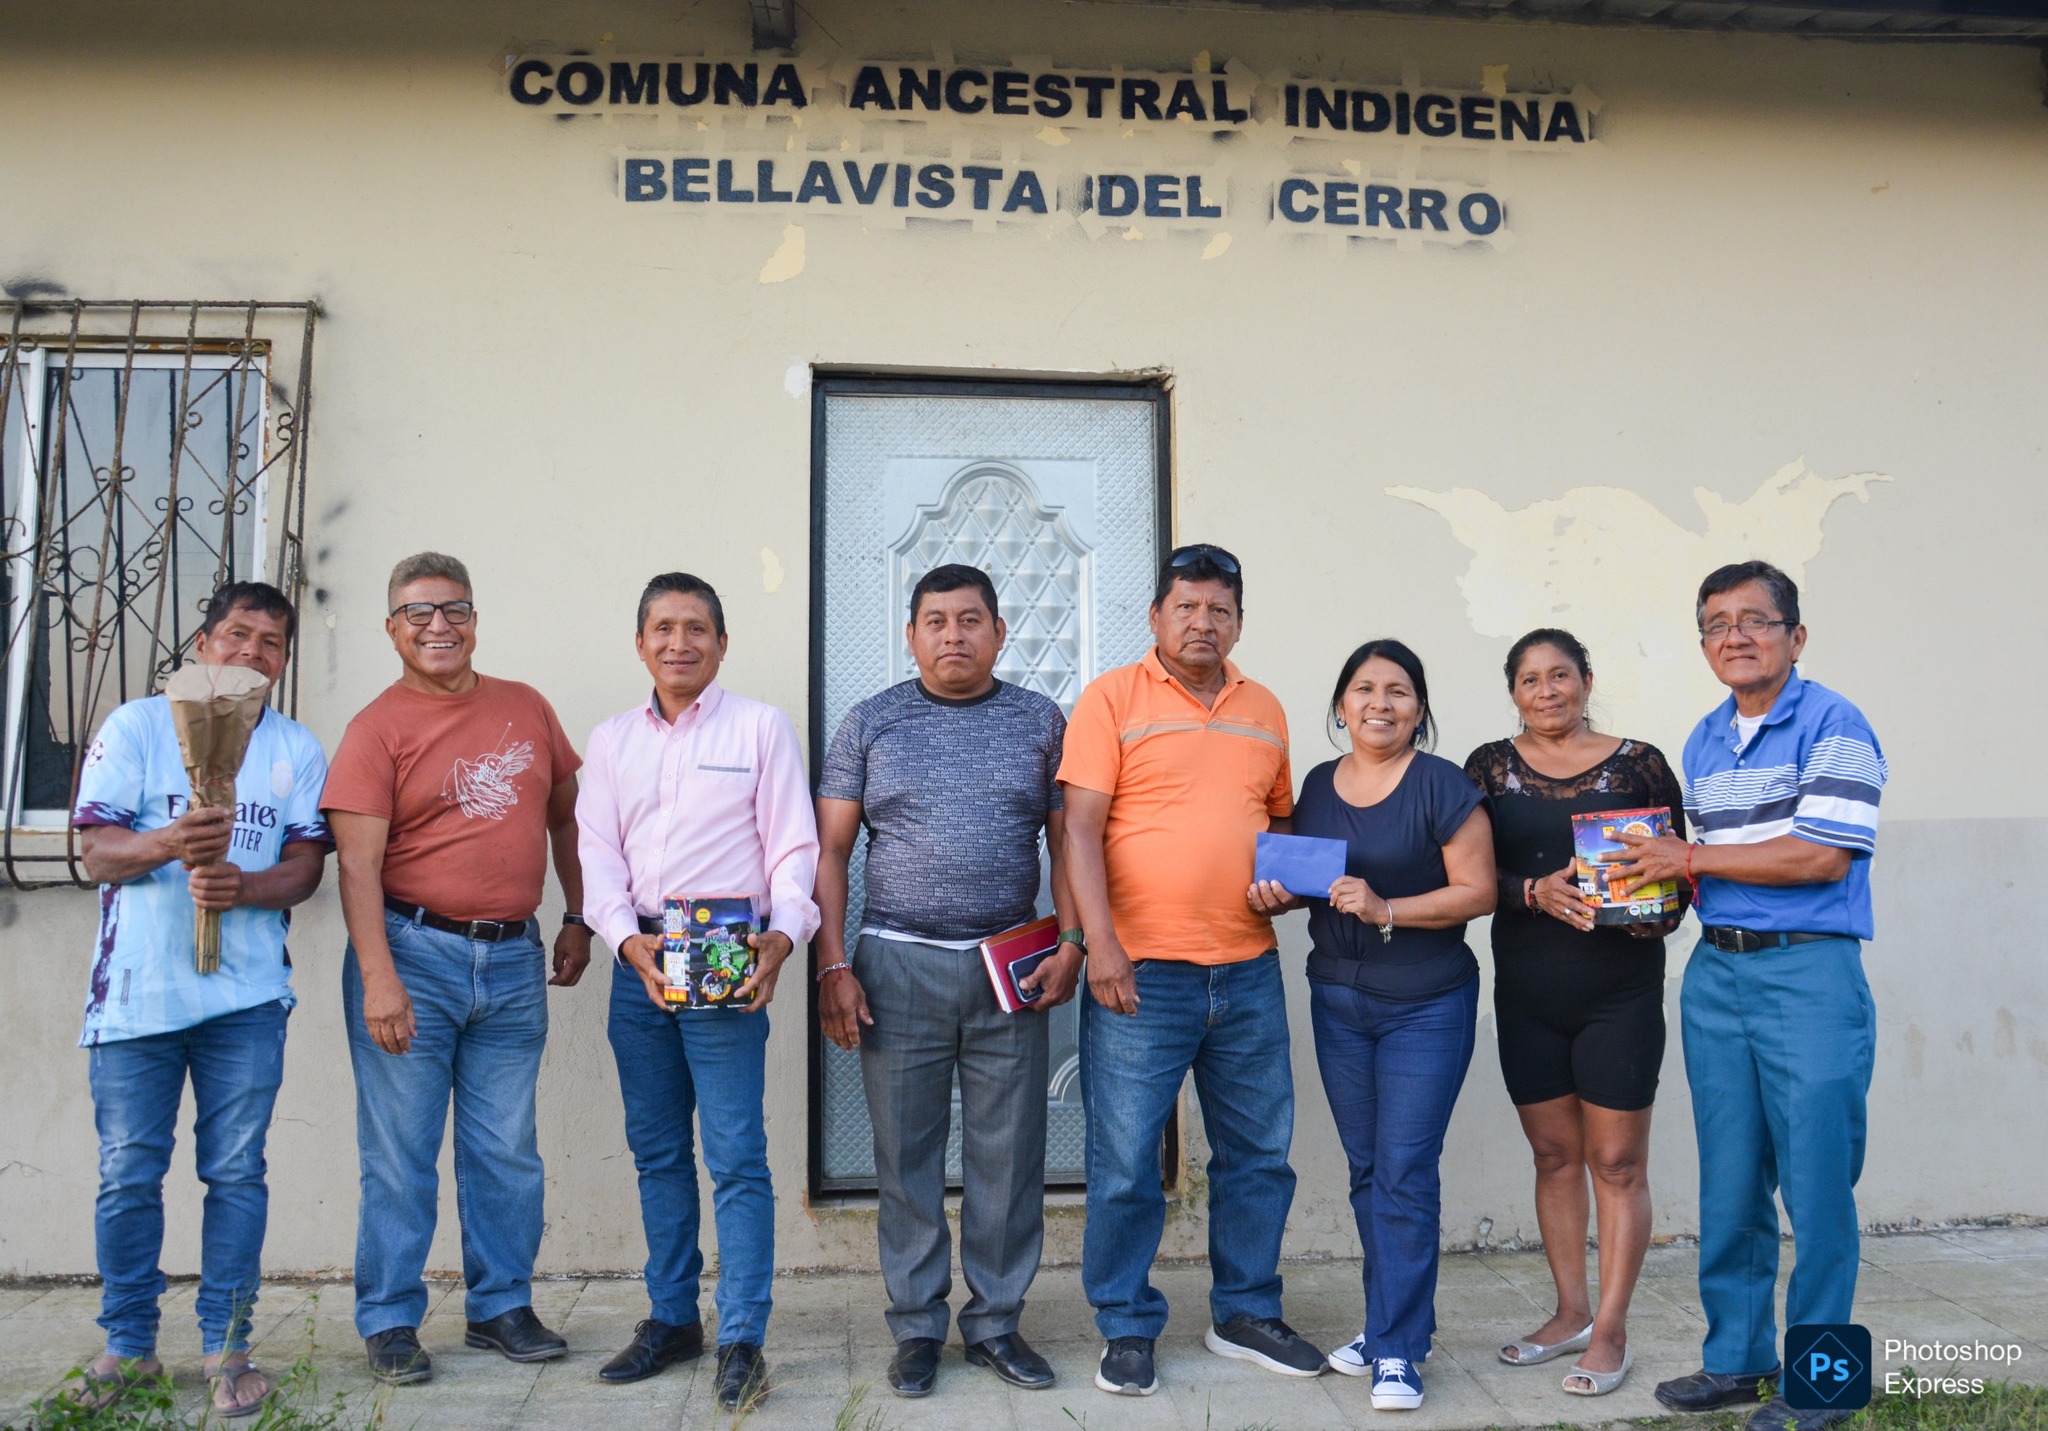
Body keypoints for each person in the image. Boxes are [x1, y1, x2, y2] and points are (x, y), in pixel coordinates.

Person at [1614, 562, 1886, 1431]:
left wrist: (1686, 859)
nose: (1735, 636)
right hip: (1717, 974)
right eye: (1717, 624)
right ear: (1704, 644)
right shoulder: (1703, 740)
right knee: (1730, 1178)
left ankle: (1825, 1384)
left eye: (1755, 620)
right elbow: (1708, 870)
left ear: (1795, 637)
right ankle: (1737, 1357)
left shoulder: (1835, 724)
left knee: (1817, 1185)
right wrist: (1629, 888)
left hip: (1809, 972)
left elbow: (1820, 856)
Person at [1059, 543, 1326, 1399]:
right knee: (1126, 1160)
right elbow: (1078, 829)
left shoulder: (1265, 708)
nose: (1202, 623)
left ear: (1238, 621)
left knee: (1258, 1154)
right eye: (1186, 607)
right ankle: (1126, 1323)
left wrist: (1284, 883)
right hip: (1141, 971)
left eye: (1219, 609)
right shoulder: (1111, 698)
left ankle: (1244, 1311)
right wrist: (1100, 943)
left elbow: (1277, 825)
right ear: (1156, 616)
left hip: (1247, 968)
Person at [321, 552, 592, 1385]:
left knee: (507, 1149)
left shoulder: (526, 706)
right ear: (392, 628)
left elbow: (569, 820)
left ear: (475, 619)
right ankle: (390, 1318)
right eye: (419, 612)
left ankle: (501, 1305)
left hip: (512, 958)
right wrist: (379, 978)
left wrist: (578, 915)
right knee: (400, 1152)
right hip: (412, 954)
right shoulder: (376, 729)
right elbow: (357, 866)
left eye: (455, 609)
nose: (438, 625)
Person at [68, 582, 331, 1419]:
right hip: (135, 999)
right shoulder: (137, 726)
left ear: (282, 661)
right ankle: (129, 1346)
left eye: (271, 642)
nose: (252, 652)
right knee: (128, 1174)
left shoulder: (293, 746)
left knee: (237, 1172)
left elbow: (305, 867)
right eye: (238, 634)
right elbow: (96, 852)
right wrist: (169, 842)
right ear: (202, 643)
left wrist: (241, 886)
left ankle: (228, 1347)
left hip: (246, 1001)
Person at [815, 563, 1079, 1399]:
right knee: (907, 1153)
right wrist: (832, 963)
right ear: (911, 635)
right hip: (897, 964)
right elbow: (830, 851)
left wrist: (1074, 940)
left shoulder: (1040, 720)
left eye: (970, 620)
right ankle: (918, 1326)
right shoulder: (871, 721)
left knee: (1010, 1153)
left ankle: (996, 1321)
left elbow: (1069, 844)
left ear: (999, 632)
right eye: (936, 620)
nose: (953, 635)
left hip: (1012, 965)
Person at [576, 572, 819, 1410]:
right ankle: (673, 1317)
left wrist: (785, 935)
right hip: (639, 957)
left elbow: (793, 847)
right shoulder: (612, 740)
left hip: (724, 955)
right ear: (640, 642)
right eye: (663, 627)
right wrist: (623, 938)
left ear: (721, 642)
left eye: (696, 628)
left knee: (737, 1155)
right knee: (657, 1151)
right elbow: (597, 852)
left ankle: (742, 1335)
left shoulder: (759, 727)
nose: (679, 642)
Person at [1249, 639, 1494, 1413]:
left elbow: (1479, 890)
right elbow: (1311, 880)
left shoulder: (1442, 784)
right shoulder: (1319, 784)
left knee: (1404, 1171)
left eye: (1397, 690)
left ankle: (1398, 1347)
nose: (1379, 703)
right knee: (1368, 1169)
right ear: (1341, 704)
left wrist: (1389, 908)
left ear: (1419, 708)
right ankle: (1390, 1320)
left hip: (1426, 1003)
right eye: (1363, 688)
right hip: (1339, 1002)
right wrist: (1277, 893)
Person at [1462, 629, 1686, 1398]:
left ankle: (1613, 1329)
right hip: (1527, 995)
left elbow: (1677, 875)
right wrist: (1530, 890)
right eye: (1530, 679)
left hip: (1620, 994)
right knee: (1554, 1156)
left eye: (1561, 675)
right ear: (1513, 692)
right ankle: (1570, 1313)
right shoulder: (1487, 768)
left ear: (1587, 680)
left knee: (1617, 1162)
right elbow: (1463, 875)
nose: (1547, 690)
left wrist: (1647, 907)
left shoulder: (1639, 763)